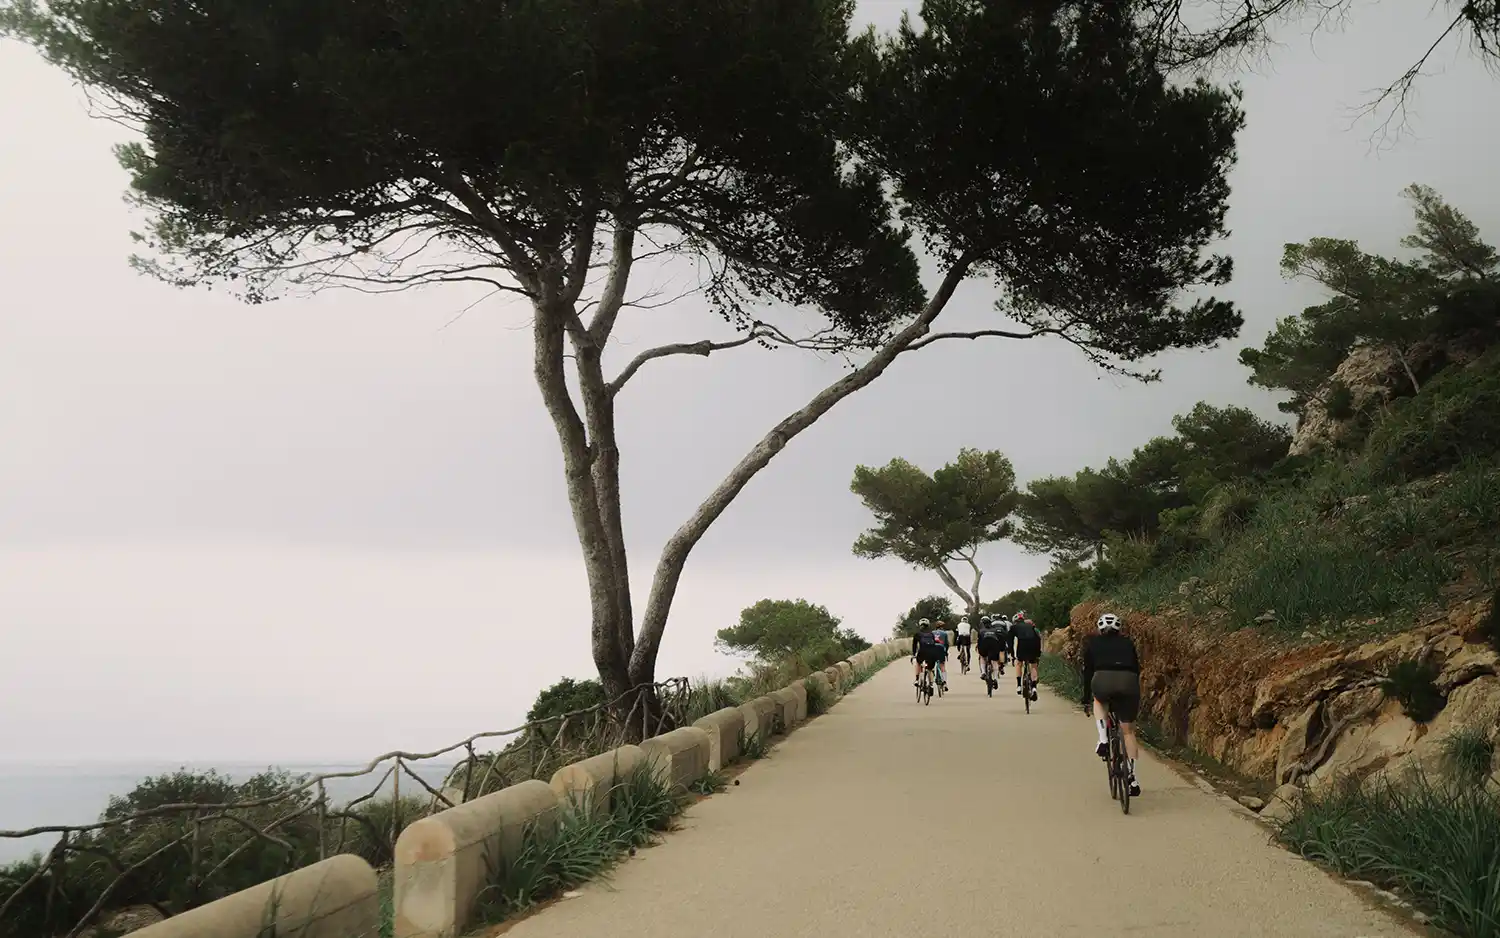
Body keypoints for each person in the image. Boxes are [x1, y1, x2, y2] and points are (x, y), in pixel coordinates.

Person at [1081, 612, 1143, 798]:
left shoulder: (1092, 643)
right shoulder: (1128, 643)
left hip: (1102, 679)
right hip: (1128, 682)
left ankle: (1103, 740)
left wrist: (1085, 698)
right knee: (1128, 731)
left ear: (1100, 629)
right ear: (1119, 629)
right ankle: (1132, 778)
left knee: (1099, 701)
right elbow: (1136, 668)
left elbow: (1087, 672)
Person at [1009, 613, 1042, 700]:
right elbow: (1038, 639)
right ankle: (1034, 687)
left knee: (1019, 663)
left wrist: (1012, 654)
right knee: (1033, 665)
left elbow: (1010, 641)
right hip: (1033, 644)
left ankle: (1019, 686)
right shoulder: (1031, 626)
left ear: (1015, 621)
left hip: (1022, 644)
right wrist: (1038, 653)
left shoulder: (1014, 627)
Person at [912, 619, 948, 691]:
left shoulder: (917, 634)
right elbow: (934, 643)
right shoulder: (931, 634)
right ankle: (931, 684)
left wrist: (914, 654)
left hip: (922, 651)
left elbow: (914, 646)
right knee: (930, 669)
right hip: (932, 652)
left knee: (918, 663)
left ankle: (917, 679)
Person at [975, 616, 1003, 688]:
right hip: (994, 645)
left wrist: (978, 649)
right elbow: (999, 640)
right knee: (994, 661)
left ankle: (983, 672)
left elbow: (979, 641)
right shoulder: (995, 630)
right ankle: (995, 678)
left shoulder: (981, 630)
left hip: (984, 645)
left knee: (982, 657)